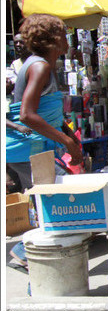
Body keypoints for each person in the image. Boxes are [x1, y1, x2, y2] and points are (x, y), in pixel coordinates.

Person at [6, 14, 83, 191]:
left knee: (44, 203)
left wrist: (68, 133)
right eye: (64, 34)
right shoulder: (39, 67)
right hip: (27, 150)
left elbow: (45, 111)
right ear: (54, 39)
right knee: (66, 193)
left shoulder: (42, 65)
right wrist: (68, 142)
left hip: (32, 150)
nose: (67, 38)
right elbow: (26, 115)